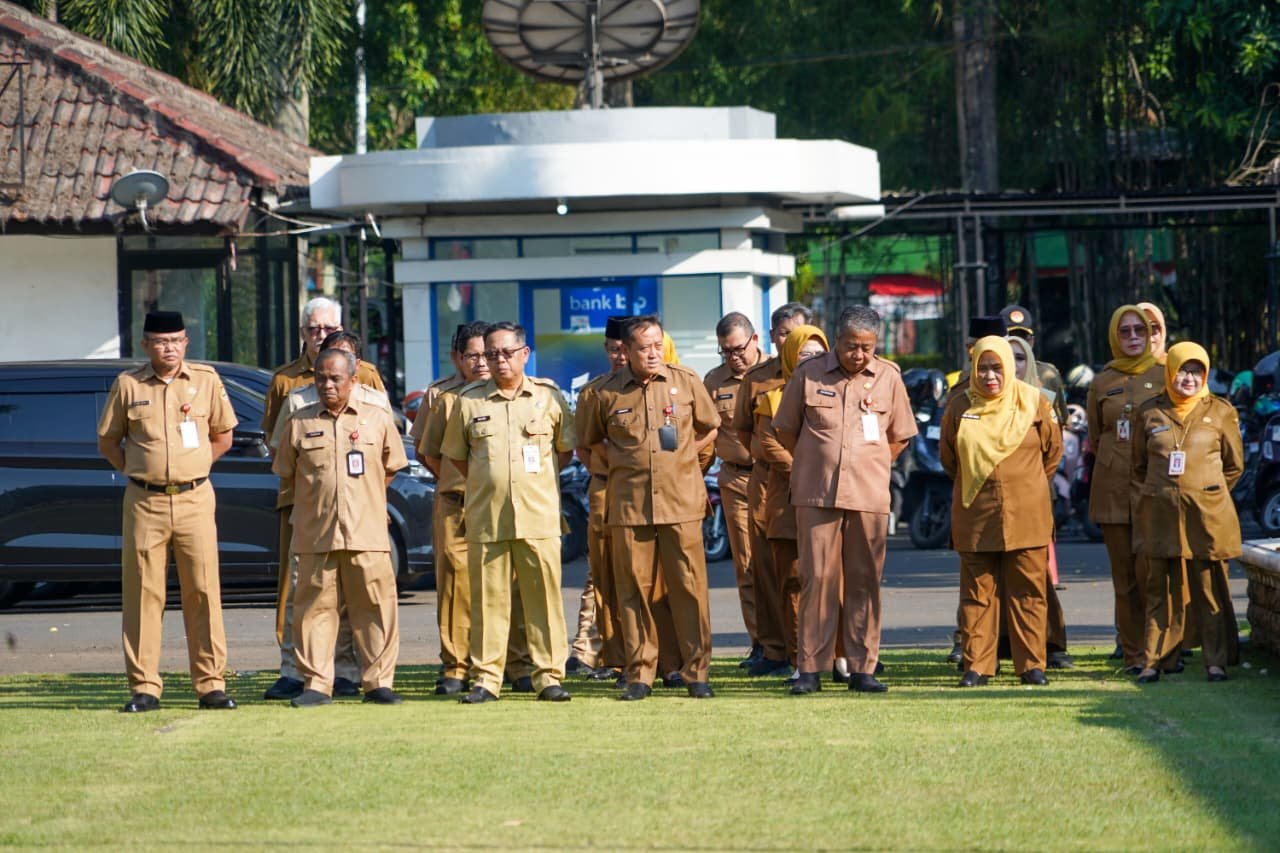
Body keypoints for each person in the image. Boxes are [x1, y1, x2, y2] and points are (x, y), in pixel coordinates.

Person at [97, 310, 239, 712]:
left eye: (176, 341)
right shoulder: (129, 385)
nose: (170, 348)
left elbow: (223, 436)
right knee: (143, 593)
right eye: (161, 342)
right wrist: (141, 471)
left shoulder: (206, 381)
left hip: (195, 498)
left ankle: (210, 684)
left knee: (203, 590)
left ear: (186, 343)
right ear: (146, 345)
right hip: (146, 502)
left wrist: (195, 467)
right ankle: (145, 687)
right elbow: (108, 442)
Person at [773, 306, 917, 694]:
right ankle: (810, 669)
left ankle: (862, 668)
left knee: (863, 581)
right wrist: (815, 460)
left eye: (867, 347)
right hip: (817, 492)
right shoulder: (809, 373)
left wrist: (870, 463)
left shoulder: (888, 377)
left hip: (868, 495)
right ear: (837, 340)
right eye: (852, 346)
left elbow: (900, 436)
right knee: (816, 579)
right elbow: (785, 430)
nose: (859, 354)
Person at [580, 314, 720, 700]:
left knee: (689, 587)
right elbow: (589, 443)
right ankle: (640, 673)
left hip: (681, 502)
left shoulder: (686, 381)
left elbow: (710, 426)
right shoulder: (603, 393)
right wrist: (619, 468)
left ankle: (696, 672)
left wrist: (687, 460)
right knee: (633, 591)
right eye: (645, 347)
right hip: (630, 505)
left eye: (659, 345)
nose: (654, 353)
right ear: (626, 350)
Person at [442, 322, 577, 704]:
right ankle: (487, 679)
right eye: (491, 354)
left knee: (544, 602)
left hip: (539, 516)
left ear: (524, 354)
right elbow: (459, 457)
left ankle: (548, 677)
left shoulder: (548, 397)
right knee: (489, 602)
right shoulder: (469, 401)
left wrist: (531, 482)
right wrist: (492, 479)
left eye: (506, 352)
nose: (499, 360)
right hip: (489, 517)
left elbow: (564, 450)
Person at [261, 296, 385, 701]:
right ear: (303, 333)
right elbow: (276, 443)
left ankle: (345, 671)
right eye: (313, 329)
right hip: (304, 503)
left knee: (354, 594)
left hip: (359, 507)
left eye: (328, 328)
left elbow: (385, 450)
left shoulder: (369, 376)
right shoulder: (287, 382)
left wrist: (366, 495)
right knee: (301, 592)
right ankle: (295, 670)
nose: (321, 335)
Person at [274, 348, 407, 707]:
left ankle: (378, 683)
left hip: (367, 532)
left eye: (335, 378)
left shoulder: (377, 419)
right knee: (314, 610)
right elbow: (287, 471)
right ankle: (317, 684)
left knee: (375, 608)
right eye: (320, 378)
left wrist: (366, 497)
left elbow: (391, 466)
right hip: (316, 533)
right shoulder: (299, 421)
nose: (327, 385)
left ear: (352, 380)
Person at [416, 322, 534, 696]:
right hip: (457, 503)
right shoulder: (442, 396)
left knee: (510, 585)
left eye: (489, 354)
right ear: (457, 358)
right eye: (473, 355)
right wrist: (463, 481)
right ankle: (457, 666)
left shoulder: (513, 393)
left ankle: (517, 663)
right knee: (457, 588)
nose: (483, 363)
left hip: (505, 503)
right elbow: (427, 451)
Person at [939, 336, 1063, 687]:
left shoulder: (1035, 401)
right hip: (976, 513)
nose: (990, 375)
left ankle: (1032, 666)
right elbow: (949, 459)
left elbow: (1052, 453)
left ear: (1009, 367)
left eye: (997, 367)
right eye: (983, 367)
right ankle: (977, 666)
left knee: (1029, 592)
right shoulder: (959, 405)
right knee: (977, 593)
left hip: (1027, 513)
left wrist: (1023, 483)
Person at [1133, 343, 1243, 684]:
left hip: (1206, 515)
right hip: (1161, 513)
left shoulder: (1221, 411)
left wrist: (1206, 490)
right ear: (1170, 372)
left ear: (1205, 374)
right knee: (1159, 589)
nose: (1189, 378)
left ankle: (1215, 662)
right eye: (1182, 370)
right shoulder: (1149, 412)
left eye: (1196, 371)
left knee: (1208, 589)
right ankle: (1154, 661)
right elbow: (1138, 467)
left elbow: (1234, 466)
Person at [731, 302, 813, 676]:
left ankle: (825, 648)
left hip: (819, 483)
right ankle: (774, 648)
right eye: (781, 334)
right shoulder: (758, 377)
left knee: (813, 569)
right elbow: (745, 431)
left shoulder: (823, 372)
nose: (787, 340)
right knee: (764, 568)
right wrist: (776, 462)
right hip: (768, 482)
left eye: (794, 333)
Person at [1086, 306, 1165, 674]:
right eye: (1125, 331)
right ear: (1114, 337)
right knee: (1125, 579)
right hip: (1113, 489)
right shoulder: (1102, 381)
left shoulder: (1166, 375)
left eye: (1140, 330)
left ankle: (1159, 650)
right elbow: (1094, 435)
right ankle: (1133, 654)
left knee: (1153, 574)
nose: (1133, 337)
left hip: (1154, 488)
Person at [999, 304, 1074, 669]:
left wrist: (1035, 480)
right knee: (987, 573)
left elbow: (1056, 437)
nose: (1016, 350)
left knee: (1035, 571)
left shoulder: (1046, 375)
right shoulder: (982, 373)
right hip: (991, 491)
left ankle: (1051, 642)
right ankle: (985, 643)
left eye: (1023, 340)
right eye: (1008, 340)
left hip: (1033, 489)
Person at [754, 325, 829, 682]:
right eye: (804, 355)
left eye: (818, 355)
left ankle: (840, 658)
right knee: (794, 581)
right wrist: (808, 467)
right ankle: (801, 660)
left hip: (830, 500)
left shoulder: (836, 392)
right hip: (787, 502)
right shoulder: (772, 398)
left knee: (833, 581)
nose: (811, 362)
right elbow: (766, 444)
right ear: (788, 357)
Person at [702, 312, 769, 665]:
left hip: (776, 479)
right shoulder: (714, 381)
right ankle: (761, 643)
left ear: (755, 340)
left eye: (738, 349)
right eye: (725, 351)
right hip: (737, 479)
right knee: (747, 565)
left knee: (785, 563)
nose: (733, 357)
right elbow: (704, 433)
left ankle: (792, 640)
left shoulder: (777, 373)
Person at [573, 316, 631, 682]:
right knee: (600, 570)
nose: (619, 357)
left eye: (624, 350)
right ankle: (588, 647)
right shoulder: (592, 392)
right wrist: (613, 469)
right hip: (606, 487)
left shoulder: (654, 389)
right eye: (613, 350)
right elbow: (582, 447)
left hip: (646, 491)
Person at [269, 331, 391, 451]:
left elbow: (391, 454)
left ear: (357, 364)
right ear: (319, 360)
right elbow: (280, 454)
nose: (337, 361)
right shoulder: (297, 402)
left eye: (345, 356)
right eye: (331, 354)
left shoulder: (377, 402)